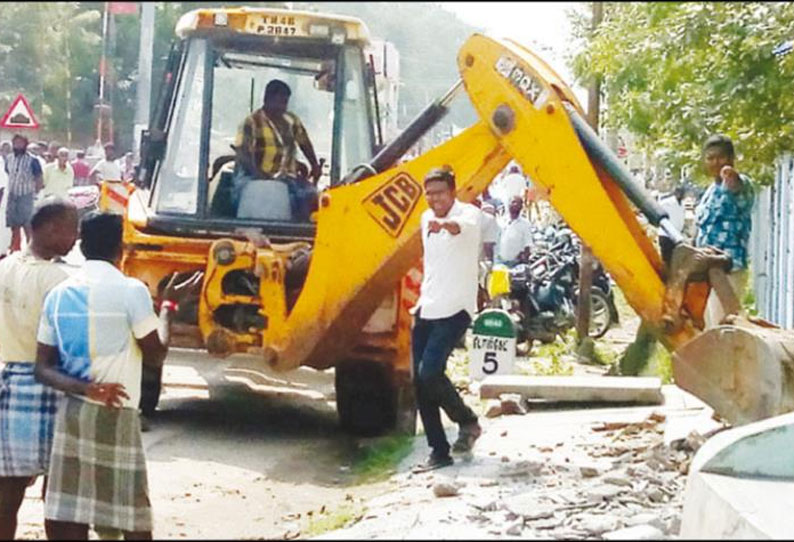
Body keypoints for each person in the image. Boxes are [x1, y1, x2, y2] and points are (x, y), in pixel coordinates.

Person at [34, 212, 203, 540]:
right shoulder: (132, 292)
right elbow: (155, 355)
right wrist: (167, 307)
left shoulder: (58, 295)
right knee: (131, 514)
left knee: (70, 513)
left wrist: (87, 389)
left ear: (82, 246)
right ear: (121, 248)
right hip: (118, 414)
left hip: (73, 415)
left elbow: (42, 368)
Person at [0, 199, 79, 540]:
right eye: (72, 227)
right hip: (49, 385)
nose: (77, 237)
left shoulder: (5, 266)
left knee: (6, 494)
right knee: (60, 497)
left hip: (8, 383)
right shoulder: (60, 280)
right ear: (49, 229)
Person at [411, 166, 482, 473]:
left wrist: (447, 224)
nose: (433, 199)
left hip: (456, 308)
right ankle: (438, 451)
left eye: (439, 193)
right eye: (429, 194)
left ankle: (466, 421)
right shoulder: (425, 218)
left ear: (453, 192)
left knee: (430, 373)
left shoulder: (469, 215)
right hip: (427, 306)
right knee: (419, 382)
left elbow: (457, 228)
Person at [234, 79, 322, 220]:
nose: (283, 107)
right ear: (267, 99)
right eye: (279, 102)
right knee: (267, 197)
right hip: (256, 178)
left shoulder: (291, 120)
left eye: (285, 103)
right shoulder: (251, 122)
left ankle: (302, 233)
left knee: (312, 197)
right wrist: (259, 176)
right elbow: (243, 153)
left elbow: (304, 142)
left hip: (287, 178)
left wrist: (314, 165)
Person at [695, 134, 754, 327]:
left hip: (729, 270)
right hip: (708, 270)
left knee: (724, 327)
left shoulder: (739, 184)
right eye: (710, 158)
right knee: (709, 326)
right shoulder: (710, 191)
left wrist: (732, 177)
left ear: (731, 159)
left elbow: (737, 186)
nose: (715, 162)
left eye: (721, 158)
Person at [6, 134, 43, 252]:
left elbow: (39, 178)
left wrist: (35, 193)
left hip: (26, 195)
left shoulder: (32, 160)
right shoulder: (9, 158)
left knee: (27, 224)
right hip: (12, 195)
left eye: (21, 143)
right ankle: (15, 248)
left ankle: (31, 249)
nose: (18, 145)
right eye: (16, 143)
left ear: (25, 145)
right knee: (13, 223)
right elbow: (7, 173)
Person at [497, 196, 533, 266]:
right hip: (500, 261)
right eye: (513, 202)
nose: (515, 204)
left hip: (515, 263)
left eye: (518, 203)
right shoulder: (502, 221)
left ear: (521, 206)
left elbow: (528, 245)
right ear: (508, 204)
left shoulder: (525, 224)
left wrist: (524, 259)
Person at [657, 185, 686, 265]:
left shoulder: (682, 205)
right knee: (666, 259)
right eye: (679, 192)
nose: (681, 195)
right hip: (666, 235)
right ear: (675, 192)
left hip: (677, 236)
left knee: (675, 260)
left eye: (682, 193)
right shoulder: (666, 203)